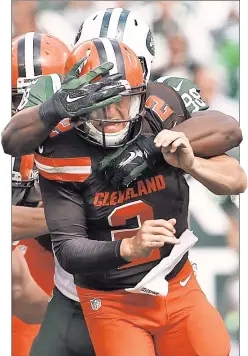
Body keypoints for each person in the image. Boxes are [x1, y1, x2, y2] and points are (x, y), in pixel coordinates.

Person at [36, 38, 234, 356]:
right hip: (112, 300)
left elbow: (230, 130)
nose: (114, 113)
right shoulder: (63, 150)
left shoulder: (156, 116)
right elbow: (68, 249)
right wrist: (129, 247)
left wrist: (157, 146)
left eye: (123, 100)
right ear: (78, 103)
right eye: (102, 102)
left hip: (176, 281)